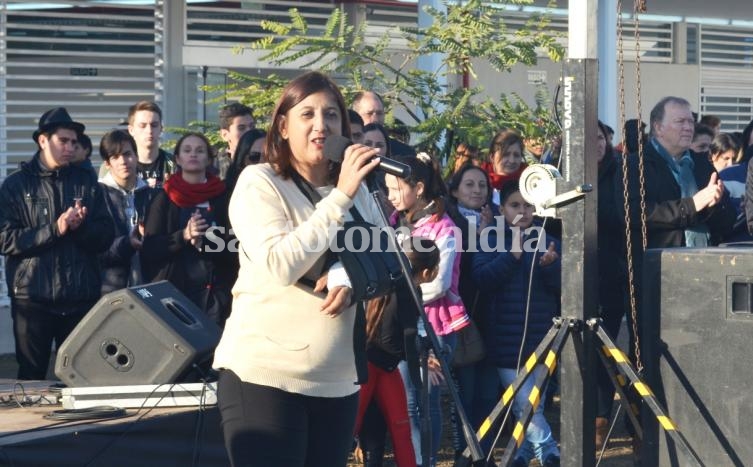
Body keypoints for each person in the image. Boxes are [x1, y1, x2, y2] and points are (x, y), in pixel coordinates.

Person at [211, 71, 385, 467]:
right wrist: (339, 196)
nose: (321, 124)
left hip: (338, 382)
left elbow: (385, 265)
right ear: (283, 127)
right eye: (307, 114)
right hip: (266, 379)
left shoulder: (359, 189)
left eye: (331, 115)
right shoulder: (260, 182)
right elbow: (282, 264)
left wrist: (350, 276)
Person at [0, 107, 114, 379]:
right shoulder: (16, 185)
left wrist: (80, 228)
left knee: (77, 376)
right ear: (43, 141)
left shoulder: (86, 182)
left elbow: (105, 235)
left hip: (79, 297)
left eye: (74, 142)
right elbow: (5, 238)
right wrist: (55, 228)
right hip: (32, 299)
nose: (70, 147)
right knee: (31, 377)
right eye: (63, 141)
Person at [385, 153, 470, 467]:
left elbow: (438, 284)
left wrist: (397, 291)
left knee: (424, 401)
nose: (390, 196)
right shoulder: (397, 223)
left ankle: (427, 461)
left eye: (395, 188)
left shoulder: (444, 228)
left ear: (418, 188)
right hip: (405, 323)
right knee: (409, 403)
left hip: (434, 327)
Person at [472, 180, 561, 467]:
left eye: (528, 205)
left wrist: (550, 268)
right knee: (525, 403)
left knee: (535, 401)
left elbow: (565, 287)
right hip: (505, 339)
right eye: (515, 205)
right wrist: (511, 257)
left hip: (541, 336)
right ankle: (551, 453)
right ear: (502, 208)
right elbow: (482, 280)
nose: (522, 211)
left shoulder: (547, 238)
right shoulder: (489, 238)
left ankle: (518, 454)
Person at [354, 236, 441, 467]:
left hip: (385, 368)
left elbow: (404, 335)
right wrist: (417, 350)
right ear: (426, 271)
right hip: (370, 368)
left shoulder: (409, 289)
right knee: (352, 426)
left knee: (400, 426)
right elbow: (388, 340)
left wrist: (421, 347)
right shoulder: (400, 291)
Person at [140, 132, 236, 327]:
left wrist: (205, 241)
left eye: (200, 151)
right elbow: (150, 249)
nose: (193, 154)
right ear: (178, 158)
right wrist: (183, 235)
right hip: (175, 295)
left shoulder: (223, 196)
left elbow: (236, 246)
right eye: (187, 150)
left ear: (209, 159)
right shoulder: (164, 198)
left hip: (217, 296)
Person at [444, 164, 501, 459]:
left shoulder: (499, 221)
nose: (477, 191)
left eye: (482, 185)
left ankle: (485, 452)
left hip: (492, 319)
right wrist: (478, 238)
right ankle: (462, 453)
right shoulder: (447, 223)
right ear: (454, 191)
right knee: (464, 394)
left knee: (488, 394)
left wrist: (491, 232)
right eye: (469, 185)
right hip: (461, 319)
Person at [593, 120, 628, 450]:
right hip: (575, 271)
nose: (597, 143)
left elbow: (621, 217)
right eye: (590, 138)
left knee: (605, 350)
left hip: (612, 274)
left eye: (601, 137)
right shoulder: (567, 173)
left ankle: (601, 418)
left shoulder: (620, 172)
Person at [98, 129, 149, 294]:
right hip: (109, 288)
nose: (123, 161)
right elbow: (96, 249)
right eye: (115, 157)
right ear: (107, 163)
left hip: (148, 284)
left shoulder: (152, 194)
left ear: (136, 156)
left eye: (127, 154)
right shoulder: (97, 195)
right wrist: (127, 244)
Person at [352, 90, 416, 157]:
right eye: (369, 113)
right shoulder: (346, 148)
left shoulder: (404, 152)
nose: (375, 119)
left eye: (379, 113)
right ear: (356, 115)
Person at [127, 100, 176, 188]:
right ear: (131, 130)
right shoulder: (119, 164)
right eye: (142, 126)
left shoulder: (173, 164)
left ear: (161, 128)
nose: (149, 131)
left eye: (154, 125)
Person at [482, 129, 528, 204]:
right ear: (492, 157)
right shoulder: (479, 182)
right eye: (505, 155)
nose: (512, 160)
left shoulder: (530, 182)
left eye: (516, 155)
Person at [215, 102, 255, 180]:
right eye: (241, 128)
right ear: (225, 135)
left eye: (252, 126)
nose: (249, 132)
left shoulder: (265, 161)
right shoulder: (215, 167)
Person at [224, 128, 266, 196]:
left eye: (268, 156)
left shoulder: (284, 186)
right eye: (254, 157)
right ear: (242, 158)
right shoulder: (223, 193)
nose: (262, 162)